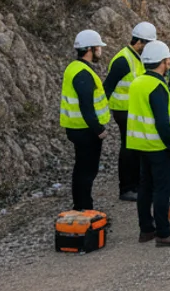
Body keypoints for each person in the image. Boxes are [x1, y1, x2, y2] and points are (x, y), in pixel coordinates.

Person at [127, 40, 170, 247]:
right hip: (158, 146)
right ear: (162, 62)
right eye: (168, 59)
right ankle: (164, 233)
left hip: (140, 144)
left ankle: (146, 229)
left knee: (145, 187)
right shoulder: (157, 86)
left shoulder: (138, 82)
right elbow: (162, 122)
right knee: (162, 190)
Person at [104, 22, 156, 202]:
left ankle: (136, 184)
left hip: (134, 110)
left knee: (136, 147)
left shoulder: (137, 58)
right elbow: (107, 88)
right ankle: (126, 188)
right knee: (129, 148)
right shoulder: (123, 60)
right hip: (123, 111)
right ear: (140, 42)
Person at [60, 30, 110, 211]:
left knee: (82, 169)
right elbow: (86, 106)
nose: (100, 50)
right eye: (98, 47)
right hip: (85, 130)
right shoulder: (82, 73)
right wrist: (99, 129)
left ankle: (81, 205)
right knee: (87, 171)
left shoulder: (74, 68)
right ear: (89, 48)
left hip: (78, 128)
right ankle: (84, 208)